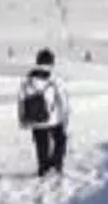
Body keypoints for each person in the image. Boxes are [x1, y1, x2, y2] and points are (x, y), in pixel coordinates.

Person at [18, 48, 70, 177]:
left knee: (41, 146)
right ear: (51, 62)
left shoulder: (27, 81)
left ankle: (43, 169)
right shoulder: (54, 80)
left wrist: (22, 120)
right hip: (53, 120)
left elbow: (21, 101)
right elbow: (63, 100)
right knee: (60, 140)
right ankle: (56, 165)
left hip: (35, 120)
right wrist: (65, 118)